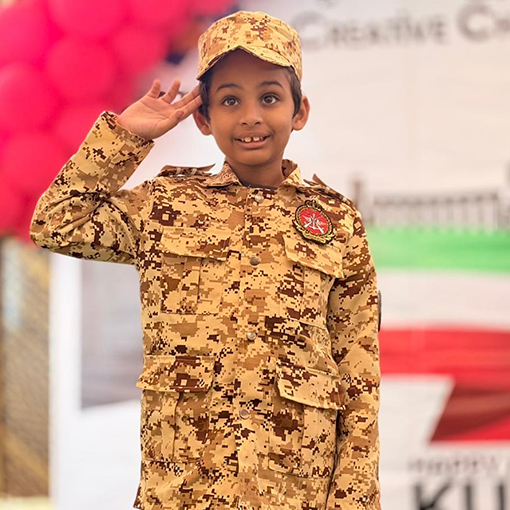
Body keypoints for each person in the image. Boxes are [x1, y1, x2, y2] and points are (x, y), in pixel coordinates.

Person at [29, 10, 382, 510]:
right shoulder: (166, 206)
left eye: (270, 97)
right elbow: (55, 222)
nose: (251, 116)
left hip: (295, 492)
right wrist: (126, 135)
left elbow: (358, 378)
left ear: (299, 111)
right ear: (202, 117)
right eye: (230, 100)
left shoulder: (336, 222)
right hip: (184, 493)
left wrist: (354, 501)